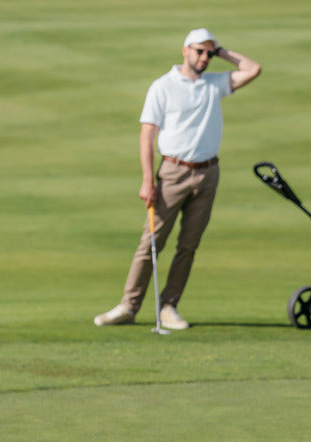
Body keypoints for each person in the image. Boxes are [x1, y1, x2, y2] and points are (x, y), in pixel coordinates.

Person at [94, 28, 261, 330]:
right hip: (172, 172)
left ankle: (168, 307)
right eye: (199, 51)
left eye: (209, 53)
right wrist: (147, 180)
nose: (204, 58)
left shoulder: (215, 83)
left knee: (189, 245)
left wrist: (221, 51)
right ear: (184, 50)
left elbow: (253, 69)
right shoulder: (163, 86)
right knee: (152, 243)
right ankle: (128, 306)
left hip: (208, 172)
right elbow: (147, 133)